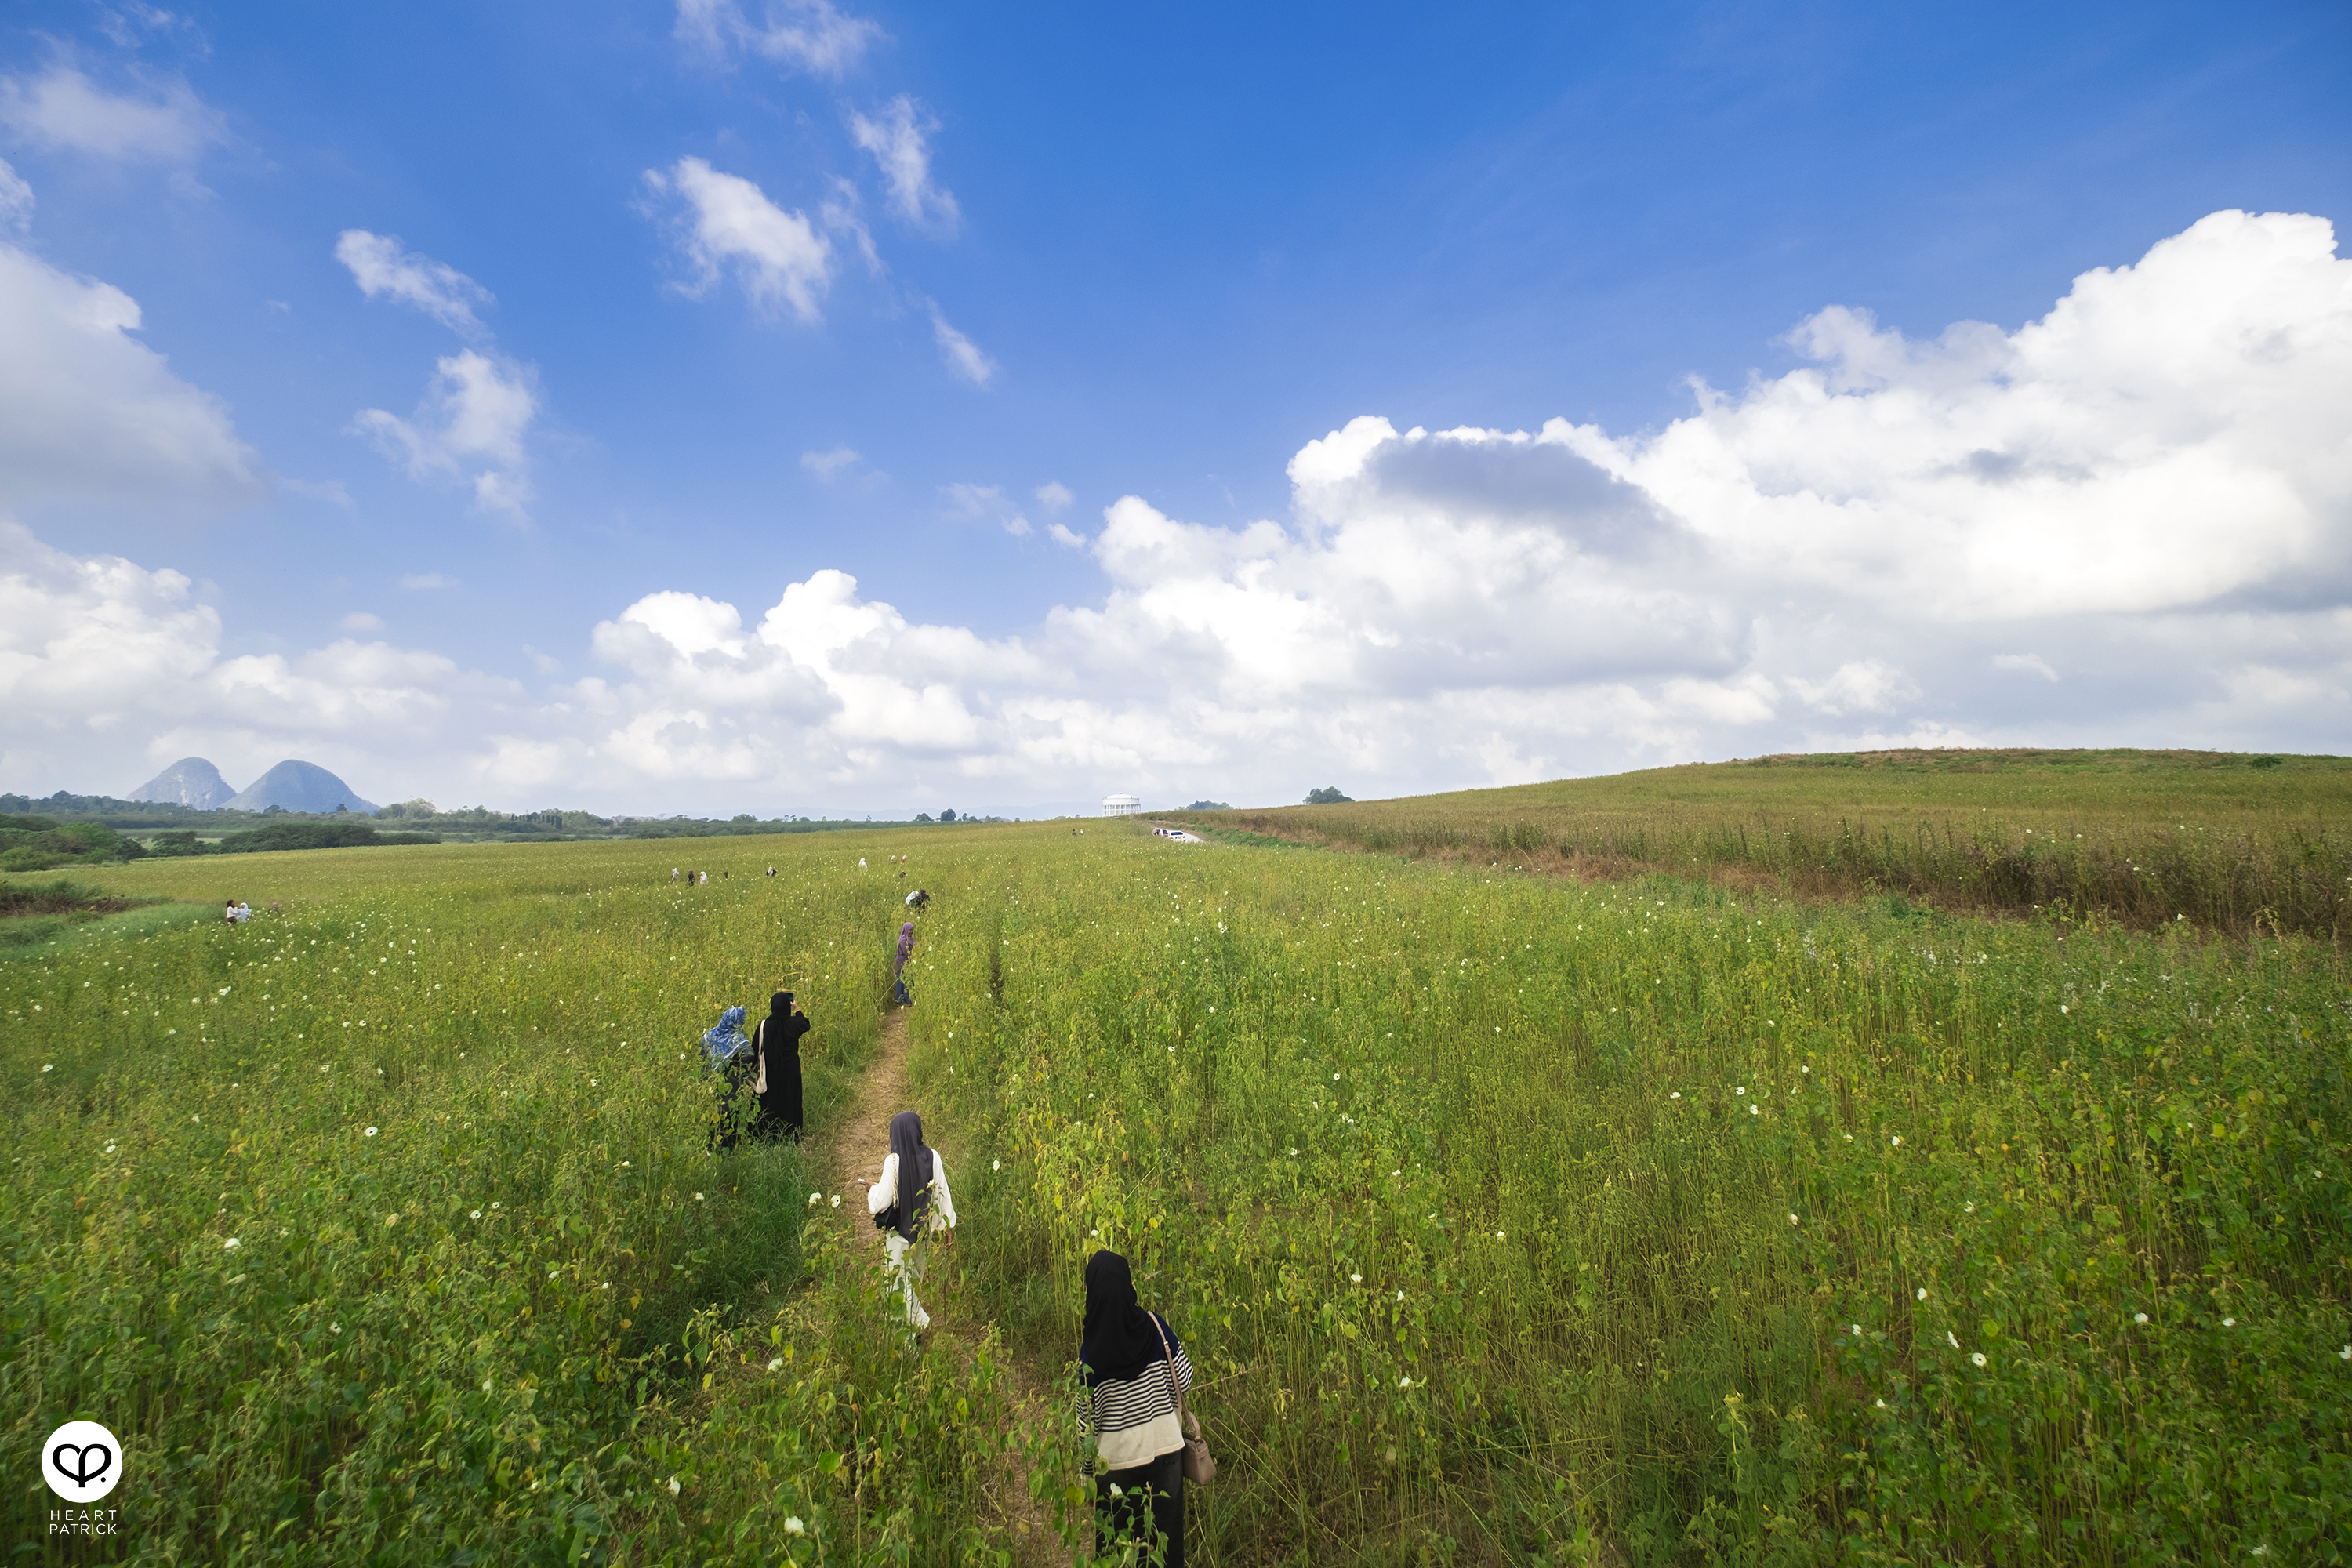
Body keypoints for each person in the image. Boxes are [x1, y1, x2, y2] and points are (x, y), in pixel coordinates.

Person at [1080, 1250, 1193, 1566]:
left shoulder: (1090, 1353)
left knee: (1116, 1550)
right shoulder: (1157, 1328)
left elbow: (1086, 1426)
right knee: (1165, 1548)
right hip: (1167, 1454)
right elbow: (1185, 1378)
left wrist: (1086, 1475)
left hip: (1114, 1465)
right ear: (1130, 1286)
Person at [860, 1110, 956, 1329]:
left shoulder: (893, 1161)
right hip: (923, 1235)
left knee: (897, 1288)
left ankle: (914, 1334)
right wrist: (948, 1227)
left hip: (898, 1235)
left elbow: (881, 1202)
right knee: (912, 1283)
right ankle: (916, 1327)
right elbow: (942, 1194)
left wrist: (871, 1189)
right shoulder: (933, 1157)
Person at [750, 991, 809, 1142]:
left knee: (771, 1100)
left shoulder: (764, 1026)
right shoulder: (793, 1024)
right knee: (791, 1099)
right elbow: (805, 1024)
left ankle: (770, 1133)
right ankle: (791, 1132)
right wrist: (797, 1009)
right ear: (786, 1006)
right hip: (791, 1070)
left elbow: (755, 1048)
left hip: (770, 1071)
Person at [700, 1005, 753, 1152]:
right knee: (729, 1110)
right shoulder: (738, 1038)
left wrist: (705, 1078)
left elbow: (702, 1058)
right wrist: (734, 1062)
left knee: (714, 1111)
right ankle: (727, 1147)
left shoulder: (708, 1036)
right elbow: (749, 1055)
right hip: (731, 1079)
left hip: (711, 1079)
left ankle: (711, 1147)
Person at [894, 921, 917, 1006]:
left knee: (906, 980)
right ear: (906, 930)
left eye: (912, 930)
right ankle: (903, 1000)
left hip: (907, 963)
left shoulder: (910, 939)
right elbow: (907, 952)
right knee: (903, 981)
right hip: (902, 963)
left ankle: (906, 999)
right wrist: (915, 957)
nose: (911, 932)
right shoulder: (904, 940)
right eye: (910, 930)